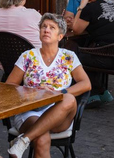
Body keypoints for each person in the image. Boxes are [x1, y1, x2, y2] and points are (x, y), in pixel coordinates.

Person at [6, 13, 92, 158]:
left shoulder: (68, 56)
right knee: (41, 138)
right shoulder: (27, 56)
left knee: (69, 98)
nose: (46, 30)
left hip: (60, 113)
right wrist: (34, 91)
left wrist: (57, 93)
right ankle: (26, 139)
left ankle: (24, 140)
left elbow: (86, 84)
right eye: (44, 27)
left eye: (52, 27)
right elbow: (9, 86)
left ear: (60, 36)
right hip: (31, 110)